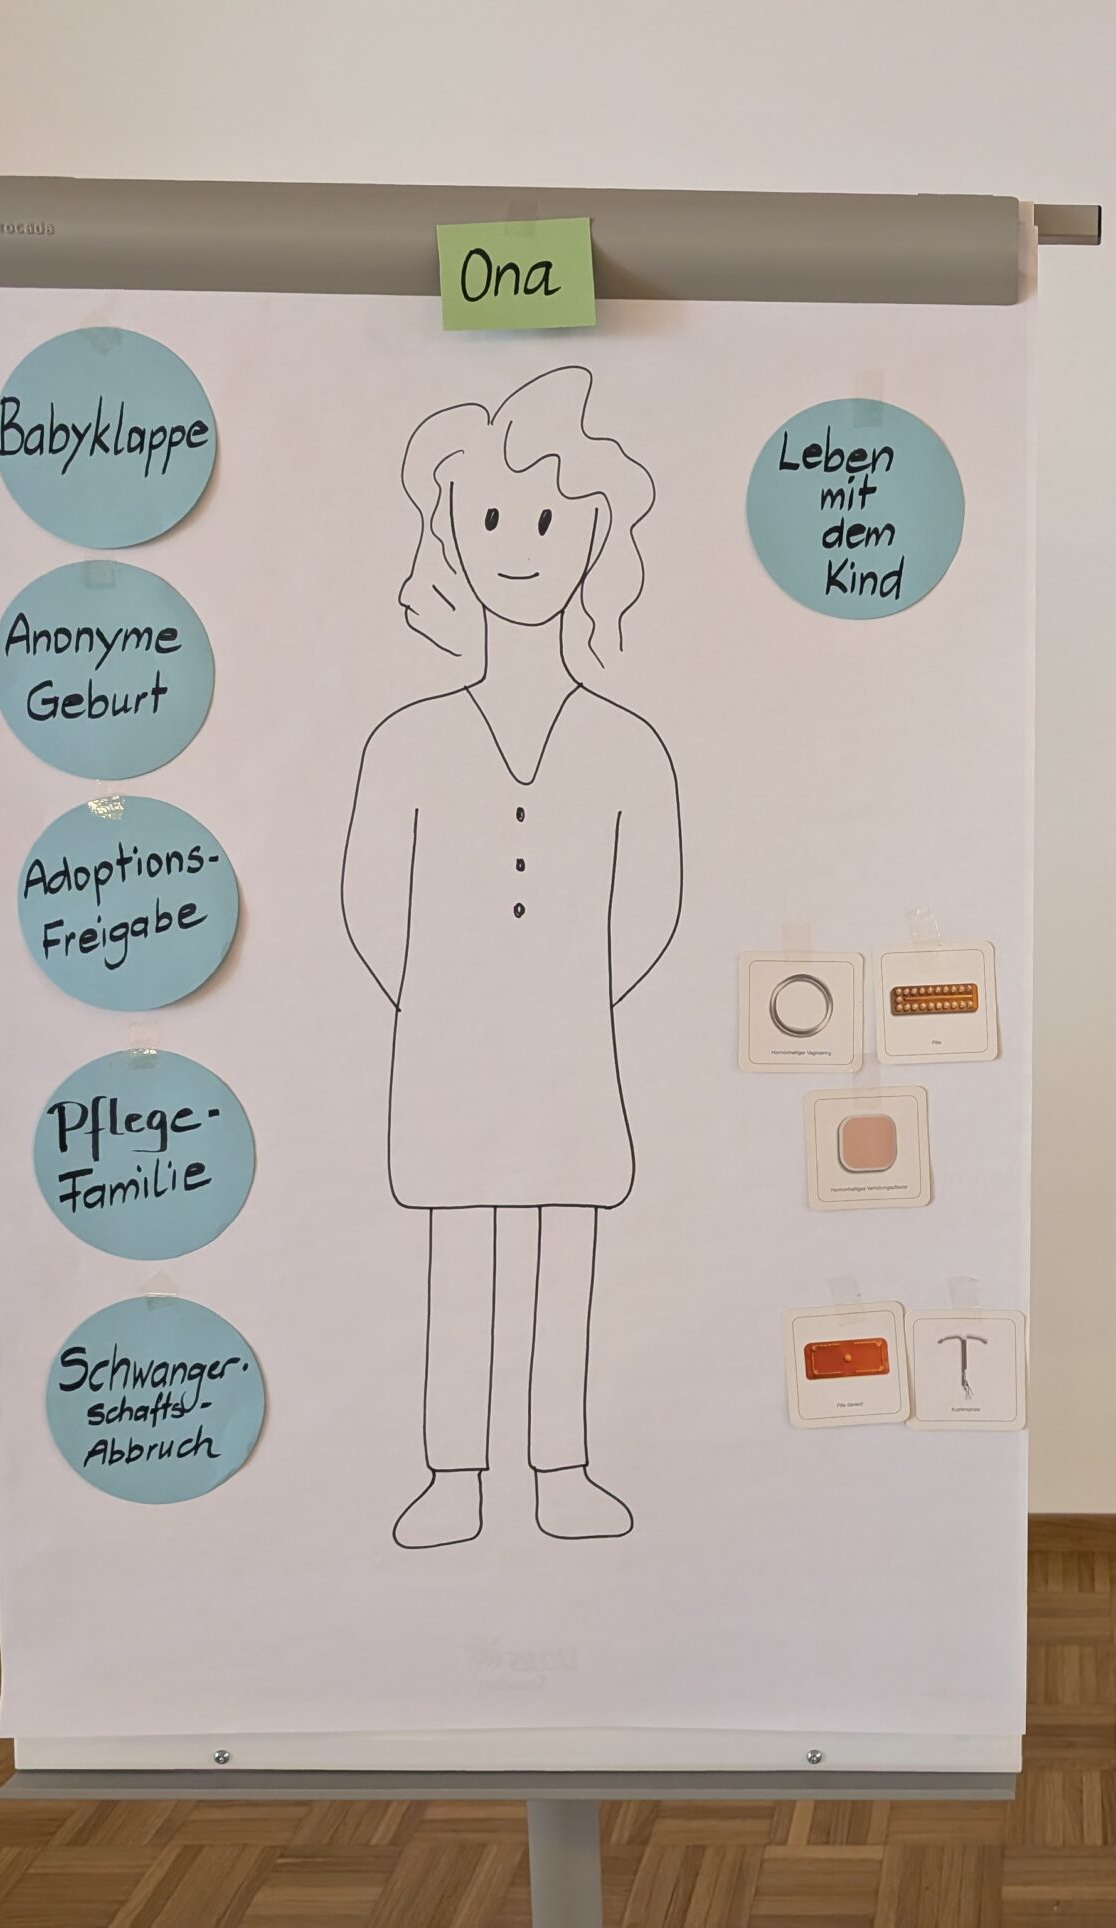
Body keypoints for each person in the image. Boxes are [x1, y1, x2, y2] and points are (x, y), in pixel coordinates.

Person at [343, 367, 682, 1548]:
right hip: (446, 1042)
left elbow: (650, 908)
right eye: (490, 516)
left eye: (547, 518)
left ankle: (559, 1463)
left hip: (572, 1042)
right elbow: (370, 903)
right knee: (460, 1240)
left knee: (565, 1235)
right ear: (450, 532)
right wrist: (451, 997)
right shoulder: (409, 741)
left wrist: (561, 994)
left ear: (595, 536)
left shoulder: (628, 745)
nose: (519, 547)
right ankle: (453, 1470)